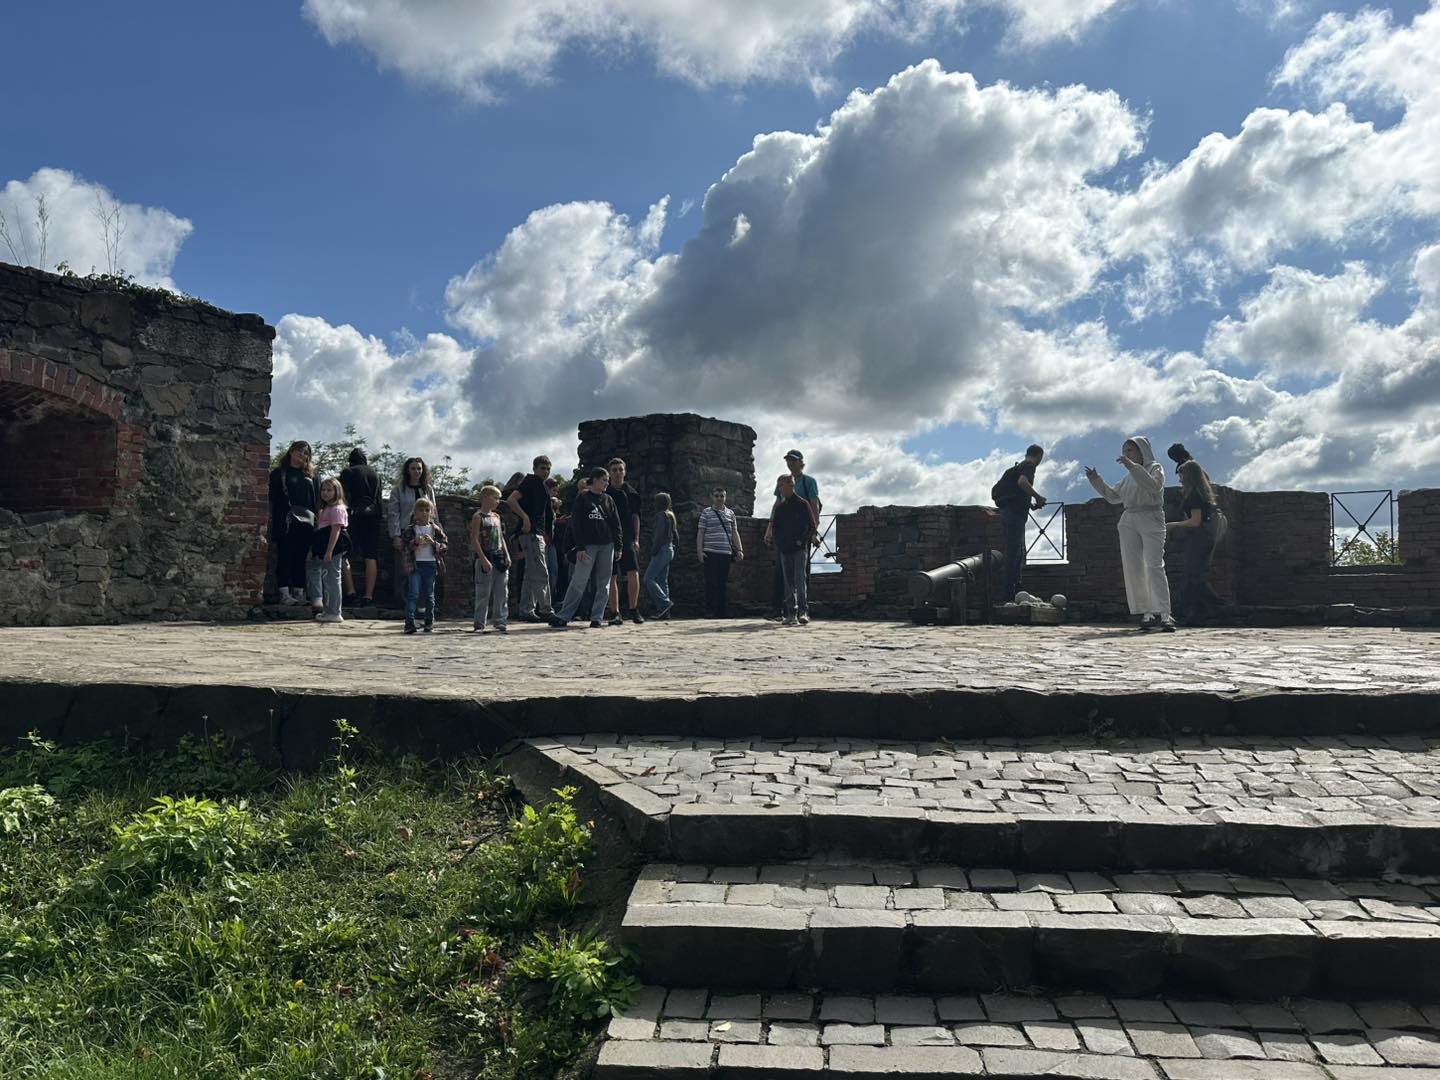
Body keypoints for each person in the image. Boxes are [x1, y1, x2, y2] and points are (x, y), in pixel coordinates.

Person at [1086, 436, 1174, 632]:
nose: (1126, 454)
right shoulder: (1128, 478)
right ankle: (1147, 612)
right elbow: (1113, 496)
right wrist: (1096, 480)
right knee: (1134, 567)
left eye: (1130, 450)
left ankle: (1165, 613)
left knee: (1154, 565)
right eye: (1124, 451)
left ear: (1142, 451)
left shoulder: (1155, 468)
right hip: (1129, 519)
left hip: (1151, 516)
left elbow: (1153, 486)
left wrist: (1132, 467)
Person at [549, 467, 621, 629]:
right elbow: (576, 523)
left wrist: (619, 546)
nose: (606, 483)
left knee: (603, 582)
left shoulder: (609, 499)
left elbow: (615, 524)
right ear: (594, 480)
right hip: (588, 545)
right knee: (579, 580)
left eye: (607, 481)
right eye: (604, 480)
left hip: (607, 544)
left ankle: (597, 617)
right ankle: (564, 615)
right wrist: (580, 547)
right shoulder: (583, 498)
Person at [1167, 460, 1229, 624]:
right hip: (1203, 539)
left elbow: (1195, 522)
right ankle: (1217, 609)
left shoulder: (1195, 495)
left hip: (1199, 540)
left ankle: (1199, 614)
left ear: (1189, 476)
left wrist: (1173, 525)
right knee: (1196, 577)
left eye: (1181, 475)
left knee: (1192, 577)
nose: (1179, 479)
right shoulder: (1201, 493)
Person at [765, 450, 820, 623]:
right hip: (785, 537)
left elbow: (814, 505)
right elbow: (777, 505)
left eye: (793, 461)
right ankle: (785, 611)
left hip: (801, 535)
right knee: (783, 575)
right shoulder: (782, 481)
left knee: (801, 575)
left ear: (801, 463)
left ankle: (803, 610)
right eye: (788, 461)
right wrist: (769, 529)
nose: (790, 463)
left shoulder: (808, 482)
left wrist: (813, 533)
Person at [992, 444, 1047, 602]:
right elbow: (1022, 483)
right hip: (1015, 515)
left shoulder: (1016, 467)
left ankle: (1016, 588)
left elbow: (1017, 493)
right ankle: (1010, 591)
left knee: (1017, 552)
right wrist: (1038, 497)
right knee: (1014, 553)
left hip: (1008, 512)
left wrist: (1031, 504)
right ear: (1039, 456)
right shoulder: (1029, 466)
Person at [505, 456, 556, 623]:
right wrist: (525, 518)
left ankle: (526, 610)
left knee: (530, 574)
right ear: (535, 469)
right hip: (531, 533)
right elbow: (511, 500)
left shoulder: (541, 486)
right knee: (541, 572)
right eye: (542, 468)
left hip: (537, 533)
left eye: (548, 469)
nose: (546, 471)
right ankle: (546, 610)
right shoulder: (531, 481)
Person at [268, 440, 318, 606]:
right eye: (300, 451)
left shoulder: (311, 476)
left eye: (306, 453)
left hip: (306, 524)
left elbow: (315, 502)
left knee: (300, 558)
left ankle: (299, 593)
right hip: (286, 522)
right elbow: (272, 498)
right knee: (285, 556)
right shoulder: (279, 474)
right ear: (291, 451)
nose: (303, 455)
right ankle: (284, 594)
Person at [388, 457, 436, 604]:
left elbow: (434, 512)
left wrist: (436, 533)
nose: (416, 471)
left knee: (423, 568)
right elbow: (393, 513)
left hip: (425, 533)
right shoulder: (398, 490)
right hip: (406, 533)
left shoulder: (427, 489)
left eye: (419, 468)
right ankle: (402, 602)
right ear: (407, 471)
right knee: (404, 569)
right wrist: (396, 535)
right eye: (413, 468)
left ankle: (421, 604)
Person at [338, 448, 382, 607]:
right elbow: (378, 499)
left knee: (344, 554)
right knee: (370, 556)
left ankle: (350, 593)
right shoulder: (375, 474)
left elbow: (341, 496)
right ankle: (368, 596)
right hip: (373, 517)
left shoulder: (348, 472)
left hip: (353, 517)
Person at [400, 497, 447, 634]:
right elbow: (404, 547)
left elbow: (444, 546)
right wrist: (415, 543)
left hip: (430, 564)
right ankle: (409, 622)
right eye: (421, 510)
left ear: (432, 512)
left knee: (429, 595)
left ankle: (429, 622)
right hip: (415, 565)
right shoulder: (410, 530)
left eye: (427, 510)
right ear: (415, 512)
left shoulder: (435, 529)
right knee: (413, 593)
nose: (424, 513)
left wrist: (433, 543)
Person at [605, 458, 644, 625]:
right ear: (609, 473)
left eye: (620, 469)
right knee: (611, 574)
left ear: (625, 472)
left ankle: (634, 609)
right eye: (614, 470)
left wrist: (636, 539)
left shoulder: (631, 493)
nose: (617, 473)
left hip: (626, 536)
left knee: (633, 571)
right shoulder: (604, 492)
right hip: (608, 537)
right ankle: (615, 612)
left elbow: (636, 517)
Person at [468, 484, 511, 633]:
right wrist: (483, 559)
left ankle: (500, 620)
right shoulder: (478, 517)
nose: (498, 501)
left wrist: (506, 554)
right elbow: (474, 539)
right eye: (495, 498)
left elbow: (501, 537)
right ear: (486, 497)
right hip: (485, 557)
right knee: (483, 592)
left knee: (502, 591)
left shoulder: (496, 517)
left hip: (499, 557)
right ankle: (479, 623)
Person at [307, 477, 349, 624]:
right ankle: (327, 609)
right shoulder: (326, 509)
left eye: (329, 490)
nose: (325, 493)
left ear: (337, 492)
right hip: (324, 546)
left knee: (332, 579)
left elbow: (336, 531)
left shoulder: (337, 509)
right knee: (326, 577)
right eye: (323, 490)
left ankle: (334, 612)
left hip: (333, 547)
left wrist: (329, 551)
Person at [697, 487, 743, 618]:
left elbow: (734, 532)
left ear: (725, 497)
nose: (719, 498)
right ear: (712, 497)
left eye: (721, 496)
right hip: (710, 552)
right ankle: (710, 611)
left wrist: (739, 549)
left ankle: (721, 611)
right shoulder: (706, 513)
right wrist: (699, 551)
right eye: (716, 496)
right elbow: (701, 532)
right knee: (711, 582)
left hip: (725, 553)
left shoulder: (731, 514)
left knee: (722, 583)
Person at [643, 492, 678, 619]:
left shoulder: (660, 516)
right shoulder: (671, 515)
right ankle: (665, 613)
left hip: (661, 550)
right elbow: (676, 536)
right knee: (662, 580)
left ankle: (665, 603)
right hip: (669, 549)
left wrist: (654, 550)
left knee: (648, 578)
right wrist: (674, 549)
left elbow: (659, 536)